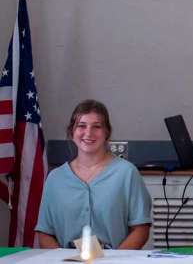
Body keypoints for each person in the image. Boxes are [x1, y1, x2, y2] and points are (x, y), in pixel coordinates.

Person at [35, 99, 151, 249]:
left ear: (106, 132)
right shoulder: (55, 179)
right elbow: (45, 233)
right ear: (72, 132)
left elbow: (140, 229)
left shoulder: (127, 173)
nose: (88, 133)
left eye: (97, 126)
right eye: (81, 126)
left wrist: (116, 260)